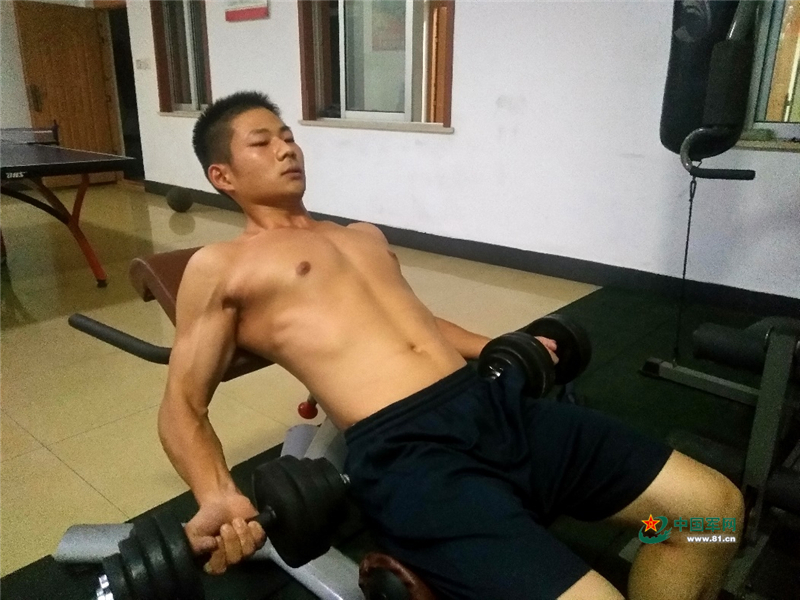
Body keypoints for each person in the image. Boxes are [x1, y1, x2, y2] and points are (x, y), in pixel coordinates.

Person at [159, 91, 743, 600]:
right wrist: (217, 493)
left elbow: (419, 324)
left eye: (288, 136)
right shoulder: (222, 265)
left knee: (709, 516)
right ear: (223, 176)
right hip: (410, 458)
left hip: (495, 407)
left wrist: (502, 345)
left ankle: (644, 540)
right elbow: (182, 404)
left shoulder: (360, 236)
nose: (287, 149)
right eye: (262, 143)